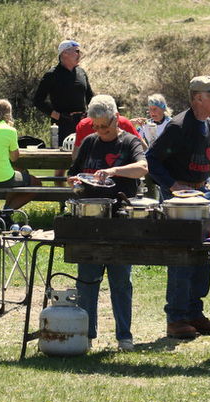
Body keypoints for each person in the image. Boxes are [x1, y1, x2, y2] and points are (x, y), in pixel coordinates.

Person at [146, 76, 210, 339]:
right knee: (181, 256)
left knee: (202, 255)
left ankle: (195, 313)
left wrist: (204, 185)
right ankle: (176, 318)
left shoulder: (209, 125)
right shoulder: (178, 126)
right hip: (180, 201)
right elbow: (152, 159)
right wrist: (173, 185)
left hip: (203, 195)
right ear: (197, 98)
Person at [67, 95, 148, 351]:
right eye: (97, 126)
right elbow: (74, 172)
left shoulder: (130, 141)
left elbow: (143, 168)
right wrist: (76, 181)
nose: (101, 131)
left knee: (121, 281)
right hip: (90, 220)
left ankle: (124, 336)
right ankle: (86, 335)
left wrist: (114, 171)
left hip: (120, 221)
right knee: (87, 279)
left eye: (106, 126)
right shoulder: (90, 142)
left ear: (116, 119)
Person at [33, 40, 94, 145]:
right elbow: (38, 100)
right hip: (63, 124)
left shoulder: (81, 72)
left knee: (86, 154)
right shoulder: (52, 74)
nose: (79, 55)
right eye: (76, 51)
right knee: (63, 156)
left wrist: (91, 115)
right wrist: (56, 115)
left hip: (83, 123)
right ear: (64, 53)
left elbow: (90, 97)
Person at [71, 114, 140, 160]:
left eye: (104, 126)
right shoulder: (84, 125)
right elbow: (76, 156)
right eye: (95, 126)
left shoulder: (123, 123)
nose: (100, 130)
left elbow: (143, 149)